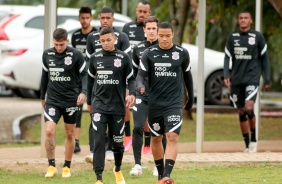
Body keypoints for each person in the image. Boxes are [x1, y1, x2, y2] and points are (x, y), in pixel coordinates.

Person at [136, 22, 194, 184]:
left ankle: (167, 175)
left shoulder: (182, 53)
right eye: (161, 36)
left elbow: (188, 76)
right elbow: (140, 75)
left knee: (172, 136)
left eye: (167, 36)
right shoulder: (149, 53)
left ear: (173, 35)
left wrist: (191, 97)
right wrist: (140, 85)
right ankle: (161, 175)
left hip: (174, 103)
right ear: (157, 35)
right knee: (156, 139)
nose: (164, 39)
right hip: (154, 103)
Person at [87, 26, 136, 184]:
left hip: (117, 107)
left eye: (108, 40)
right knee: (99, 139)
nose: (106, 43)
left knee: (117, 143)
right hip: (99, 105)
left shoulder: (123, 58)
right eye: (102, 41)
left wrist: (132, 94)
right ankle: (99, 177)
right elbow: (89, 81)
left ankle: (117, 169)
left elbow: (131, 79)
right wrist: (89, 102)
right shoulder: (95, 58)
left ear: (115, 39)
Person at [85, 6, 131, 162]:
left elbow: (126, 65)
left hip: (118, 88)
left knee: (115, 122)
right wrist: (88, 97)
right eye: (102, 18)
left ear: (113, 19)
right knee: (96, 120)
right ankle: (94, 151)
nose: (105, 21)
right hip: (99, 92)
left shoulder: (123, 37)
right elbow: (90, 70)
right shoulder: (92, 38)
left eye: (108, 18)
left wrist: (128, 91)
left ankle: (113, 149)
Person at [40, 28, 87, 178]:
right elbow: (44, 76)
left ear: (67, 41)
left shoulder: (76, 55)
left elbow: (85, 75)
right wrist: (42, 97)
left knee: (69, 133)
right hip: (53, 100)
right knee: (49, 131)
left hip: (70, 101)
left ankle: (67, 167)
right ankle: (51, 166)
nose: (59, 48)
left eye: (61, 44)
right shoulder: (47, 54)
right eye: (56, 44)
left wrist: (83, 92)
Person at [223, 11, 270, 153]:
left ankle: (254, 140)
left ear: (251, 21)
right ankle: (247, 144)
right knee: (241, 111)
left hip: (252, 78)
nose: (243, 20)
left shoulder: (257, 37)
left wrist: (267, 78)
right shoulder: (233, 37)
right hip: (237, 79)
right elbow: (227, 57)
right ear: (238, 20)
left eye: (246, 18)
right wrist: (226, 74)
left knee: (249, 107)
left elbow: (265, 58)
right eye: (241, 18)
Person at [129, 15, 159, 176]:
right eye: (149, 29)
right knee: (138, 127)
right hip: (142, 95)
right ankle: (137, 165)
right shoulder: (138, 48)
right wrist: (133, 92)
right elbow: (133, 74)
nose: (152, 31)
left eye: (154, 28)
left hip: (160, 96)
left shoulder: (164, 48)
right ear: (144, 30)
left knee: (158, 130)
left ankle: (158, 165)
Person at [122, 0, 151, 152]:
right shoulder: (127, 27)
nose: (142, 14)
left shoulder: (151, 29)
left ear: (149, 13)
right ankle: (127, 136)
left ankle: (147, 144)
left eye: (145, 12)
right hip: (130, 72)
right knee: (126, 102)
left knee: (145, 111)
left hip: (146, 76)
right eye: (140, 11)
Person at [71, 6, 96, 154]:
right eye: (82, 18)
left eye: (87, 18)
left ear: (91, 18)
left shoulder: (96, 34)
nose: (85, 21)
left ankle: (97, 143)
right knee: (77, 110)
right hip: (78, 78)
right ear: (79, 18)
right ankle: (76, 142)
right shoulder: (75, 36)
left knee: (95, 110)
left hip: (93, 77)